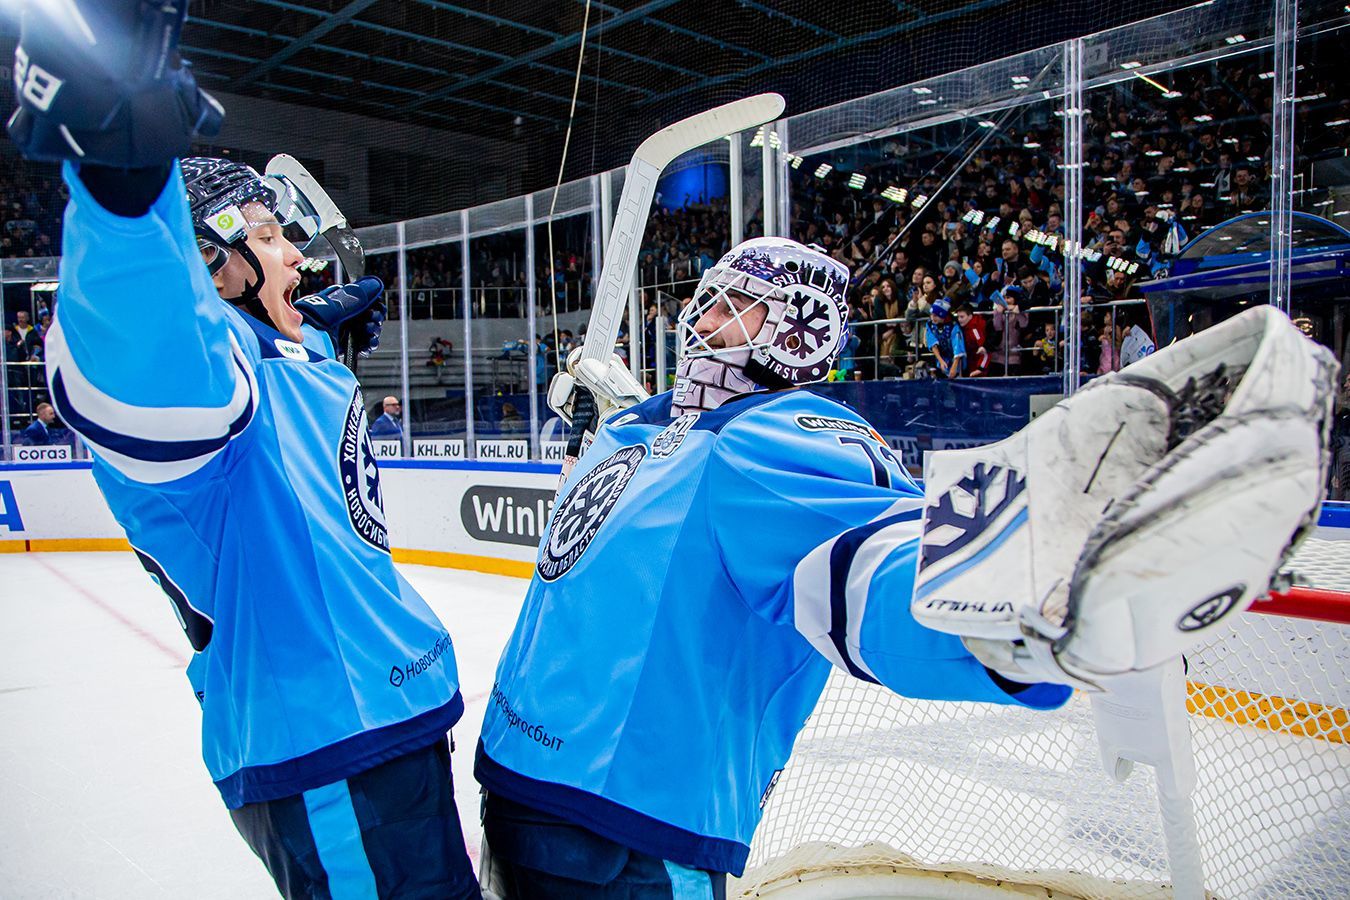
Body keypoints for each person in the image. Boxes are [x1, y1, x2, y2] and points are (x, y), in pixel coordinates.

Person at [8, 4, 479, 896]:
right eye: (266, 235)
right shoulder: (198, 385)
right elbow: (144, 338)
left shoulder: (286, 360)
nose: (297, 256)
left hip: (391, 720)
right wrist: (122, 190)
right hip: (327, 746)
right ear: (211, 267)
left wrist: (316, 344)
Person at [476, 238, 1077, 898]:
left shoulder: (778, 436)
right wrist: (620, 416)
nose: (701, 323)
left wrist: (1021, 590)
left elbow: (876, 557)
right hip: (522, 783)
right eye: (706, 303)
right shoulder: (658, 425)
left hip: (623, 829)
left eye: (734, 306)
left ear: (800, 332)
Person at [925, 297, 966, 379]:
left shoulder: (953, 327)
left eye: (935, 316)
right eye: (931, 315)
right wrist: (940, 361)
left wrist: (954, 367)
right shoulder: (930, 324)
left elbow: (958, 347)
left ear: (942, 315)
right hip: (941, 358)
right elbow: (933, 344)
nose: (932, 318)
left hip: (955, 359)